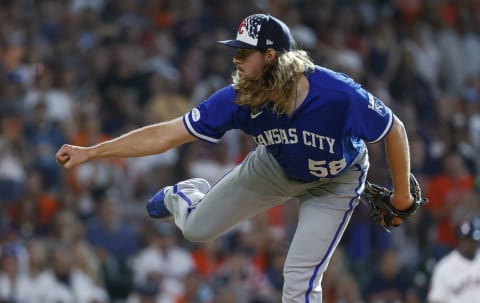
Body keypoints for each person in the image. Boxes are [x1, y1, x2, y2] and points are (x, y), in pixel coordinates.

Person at [55, 13, 415, 302]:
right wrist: (93, 152)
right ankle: (184, 195)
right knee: (196, 230)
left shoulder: (337, 93)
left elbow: (393, 130)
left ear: (271, 56)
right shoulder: (240, 96)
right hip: (274, 167)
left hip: (336, 181)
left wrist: (402, 194)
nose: (236, 59)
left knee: (300, 283)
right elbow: (167, 134)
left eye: (245, 53)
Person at [427, 216, 480, 303]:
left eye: (471, 240)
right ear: (458, 240)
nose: (468, 244)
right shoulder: (444, 267)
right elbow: (436, 299)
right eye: (465, 240)